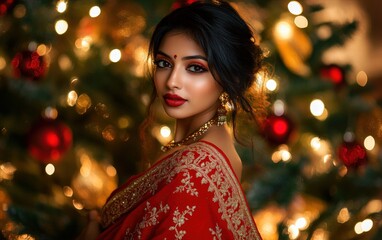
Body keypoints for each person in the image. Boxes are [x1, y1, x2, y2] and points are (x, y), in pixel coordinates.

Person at [79, 0, 267, 239]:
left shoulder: (194, 170)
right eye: (164, 63)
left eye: (195, 68)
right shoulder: (195, 148)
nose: (172, 81)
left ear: (231, 78)